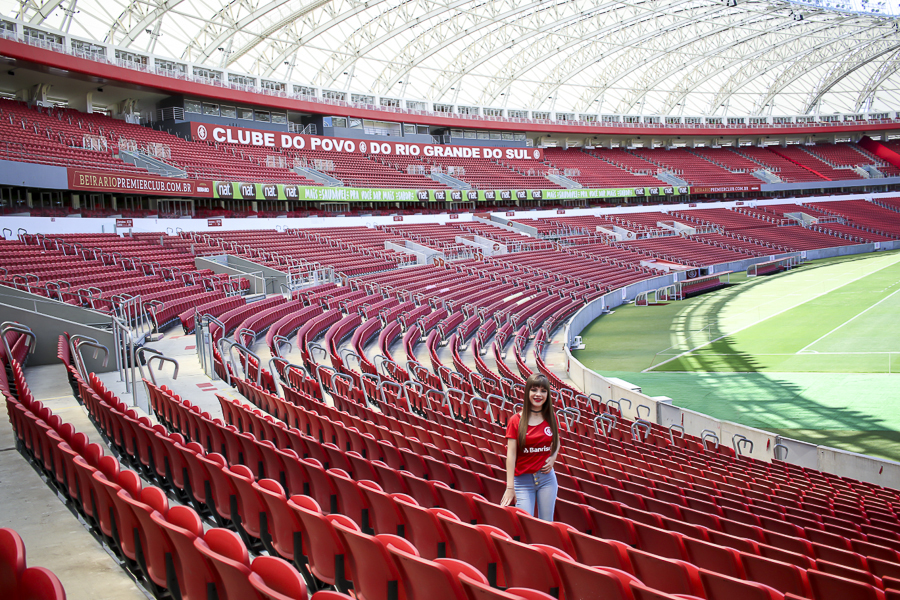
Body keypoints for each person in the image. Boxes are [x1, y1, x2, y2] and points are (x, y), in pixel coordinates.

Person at [500, 373, 560, 520]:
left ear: (548, 394)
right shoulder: (516, 420)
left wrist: (553, 458)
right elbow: (511, 455)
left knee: (547, 524)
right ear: (527, 392)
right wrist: (510, 488)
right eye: (534, 390)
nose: (538, 394)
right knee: (527, 524)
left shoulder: (551, 417)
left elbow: (557, 441)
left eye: (543, 391)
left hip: (547, 479)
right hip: (523, 481)